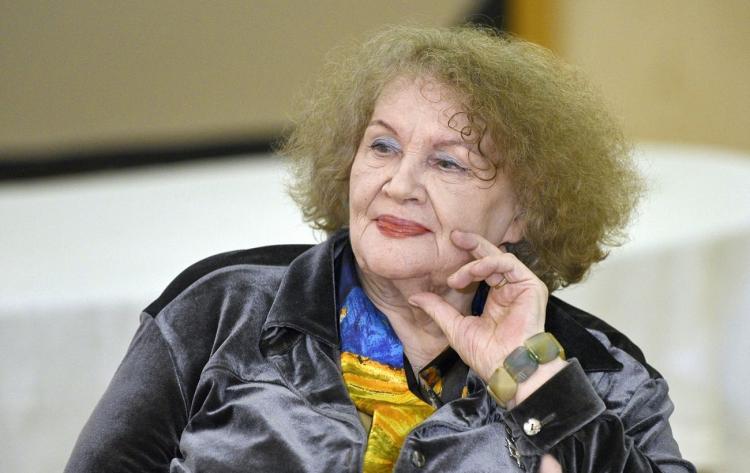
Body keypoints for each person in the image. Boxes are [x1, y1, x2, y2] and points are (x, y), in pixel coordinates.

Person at [65, 26, 695, 473]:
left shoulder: (605, 375)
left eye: (448, 162)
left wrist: (530, 377)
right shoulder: (220, 309)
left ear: (524, 213)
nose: (399, 184)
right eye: (383, 146)